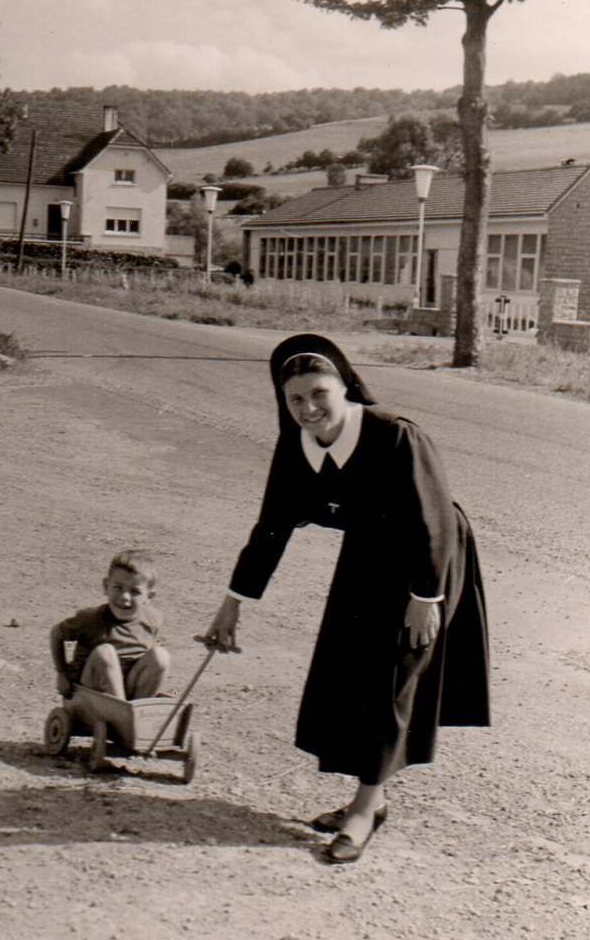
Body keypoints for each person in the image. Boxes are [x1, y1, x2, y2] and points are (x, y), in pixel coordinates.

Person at [205, 333, 490, 864]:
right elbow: (271, 528)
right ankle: (371, 800)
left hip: (427, 560)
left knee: (392, 678)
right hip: (367, 555)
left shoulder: (395, 435)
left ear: (345, 388)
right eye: (296, 399)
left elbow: (432, 522)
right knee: (350, 670)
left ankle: (364, 808)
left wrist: (425, 598)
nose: (309, 408)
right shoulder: (295, 447)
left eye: (320, 393)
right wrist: (233, 602)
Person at [50, 549, 170, 701]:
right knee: (105, 653)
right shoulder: (90, 619)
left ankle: (136, 709)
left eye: (135, 592)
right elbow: (57, 633)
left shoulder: (152, 619)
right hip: (91, 691)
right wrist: (61, 672)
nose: (125, 597)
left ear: (149, 597)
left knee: (161, 656)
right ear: (106, 586)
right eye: (118, 588)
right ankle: (123, 712)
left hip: (127, 688)